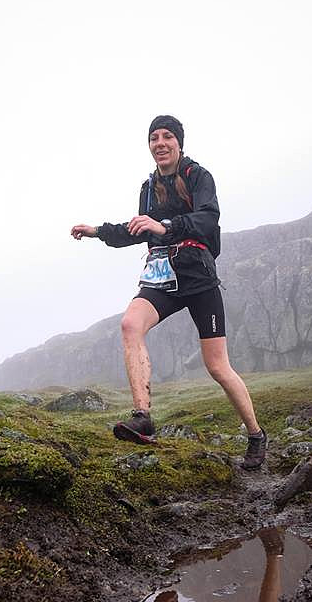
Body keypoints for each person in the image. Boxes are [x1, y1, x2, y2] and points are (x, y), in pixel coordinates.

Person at [71, 114, 267, 470]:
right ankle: (142, 417)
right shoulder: (148, 187)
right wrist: (97, 230)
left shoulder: (198, 177)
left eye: (167, 137)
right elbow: (137, 230)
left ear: (179, 143)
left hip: (197, 275)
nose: (159, 143)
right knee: (130, 324)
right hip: (162, 277)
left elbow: (208, 218)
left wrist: (164, 225)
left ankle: (255, 434)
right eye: (153, 138)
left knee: (217, 366)